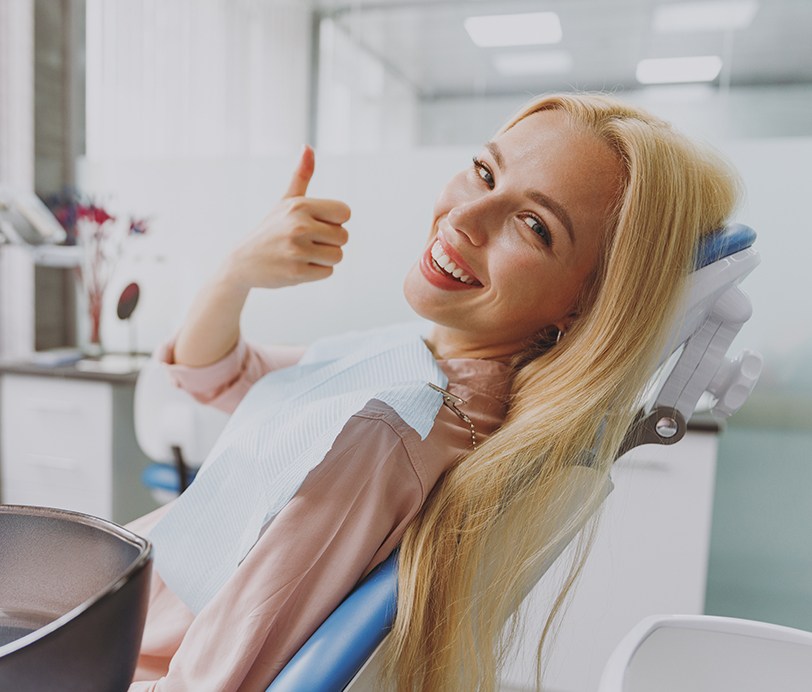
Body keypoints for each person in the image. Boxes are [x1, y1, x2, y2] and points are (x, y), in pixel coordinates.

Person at [127, 92, 740, 692]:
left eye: (534, 226)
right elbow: (219, 374)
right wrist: (237, 273)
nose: (463, 219)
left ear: (584, 305)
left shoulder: (390, 427)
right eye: (483, 172)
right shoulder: (418, 360)